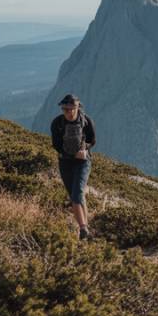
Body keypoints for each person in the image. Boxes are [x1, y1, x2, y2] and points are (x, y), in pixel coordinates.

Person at [50, 93, 96, 239]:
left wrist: (84, 149)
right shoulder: (57, 123)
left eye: (71, 109)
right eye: (65, 109)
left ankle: (82, 230)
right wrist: (72, 154)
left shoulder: (86, 121)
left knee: (77, 195)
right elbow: (56, 145)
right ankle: (86, 228)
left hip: (83, 162)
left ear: (77, 107)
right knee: (75, 196)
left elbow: (92, 140)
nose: (68, 112)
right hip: (65, 162)